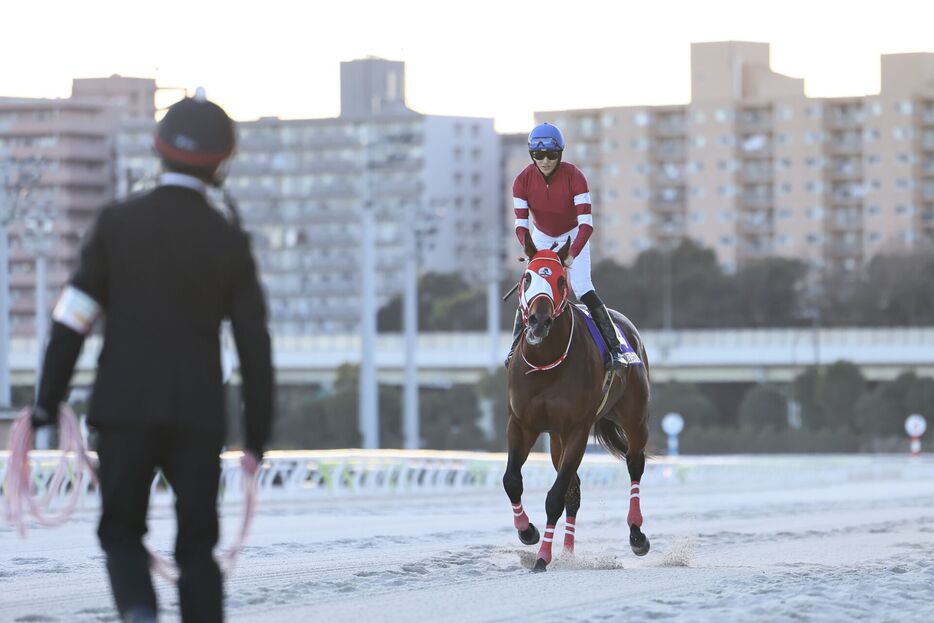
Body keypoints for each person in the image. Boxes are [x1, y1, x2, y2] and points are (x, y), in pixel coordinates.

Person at [29, 90, 274, 623]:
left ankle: (139, 613)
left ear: (156, 148)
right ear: (222, 163)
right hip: (196, 413)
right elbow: (256, 347)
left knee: (120, 531)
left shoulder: (115, 224)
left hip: (123, 410)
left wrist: (46, 403)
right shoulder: (228, 239)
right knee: (196, 548)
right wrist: (257, 437)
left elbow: (71, 320)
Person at [506, 122, 629, 370]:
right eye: (539, 155)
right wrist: (526, 246)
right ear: (532, 155)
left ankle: (616, 350)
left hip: (573, 235)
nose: (545, 161)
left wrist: (571, 254)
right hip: (540, 237)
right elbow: (521, 224)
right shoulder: (521, 181)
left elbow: (587, 225)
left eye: (551, 155)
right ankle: (514, 350)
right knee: (529, 291)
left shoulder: (575, 177)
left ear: (560, 153)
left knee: (583, 288)